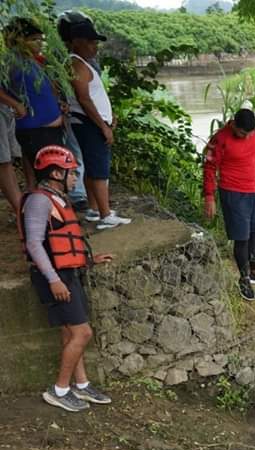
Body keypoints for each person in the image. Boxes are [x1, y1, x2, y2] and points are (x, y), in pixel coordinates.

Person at [15, 145, 115, 412]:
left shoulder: (58, 198)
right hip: (55, 276)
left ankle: (80, 386)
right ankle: (59, 390)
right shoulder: (39, 201)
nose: (75, 178)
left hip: (67, 272)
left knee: (70, 332)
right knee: (83, 333)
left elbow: (61, 240)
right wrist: (53, 280)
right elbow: (36, 245)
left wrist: (89, 260)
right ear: (57, 173)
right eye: (72, 173)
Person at [64, 14, 129, 229]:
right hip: (89, 124)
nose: (95, 47)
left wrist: (109, 116)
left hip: (89, 122)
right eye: (91, 42)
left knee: (93, 168)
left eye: (95, 42)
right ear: (77, 42)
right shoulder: (77, 65)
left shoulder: (82, 63)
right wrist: (103, 125)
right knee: (99, 169)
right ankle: (105, 214)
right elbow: (83, 98)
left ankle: (94, 209)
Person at [203, 107, 255, 301]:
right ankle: (244, 280)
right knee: (241, 238)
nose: (246, 136)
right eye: (243, 133)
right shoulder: (220, 139)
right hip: (233, 193)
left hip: (252, 190)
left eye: (249, 133)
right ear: (234, 124)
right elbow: (209, 168)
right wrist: (209, 197)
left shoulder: (252, 134)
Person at [3, 18, 64, 189]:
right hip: (36, 129)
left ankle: (41, 210)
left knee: (46, 176)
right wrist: (15, 104)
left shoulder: (32, 61)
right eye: (34, 39)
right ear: (18, 39)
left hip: (48, 127)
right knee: (49, 178)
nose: (39, 43)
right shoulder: (10, 61)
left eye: (41, 39)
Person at [0, 90, 22, 214]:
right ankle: (20, 210)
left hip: (6, 107)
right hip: (7, 105)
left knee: (7, 162)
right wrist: (15, 104)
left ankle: (21, 207)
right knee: (4, 162)